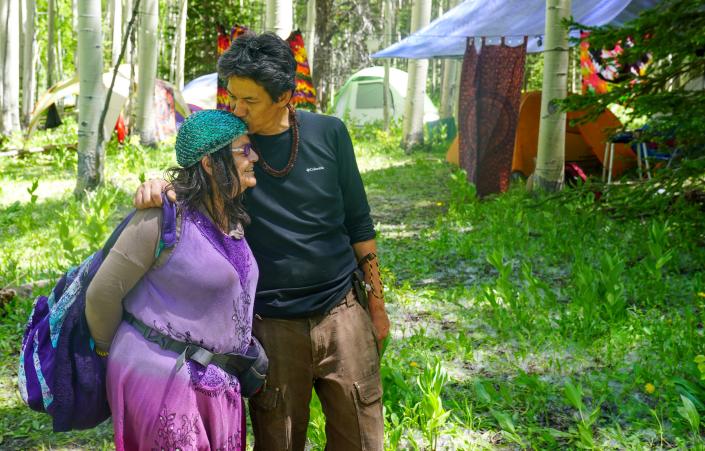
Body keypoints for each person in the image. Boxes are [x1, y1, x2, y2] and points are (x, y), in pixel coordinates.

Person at [135, 32, 391, 450]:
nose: (236, 109)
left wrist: (376, 308)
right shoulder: (232, 147)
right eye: (232, 97)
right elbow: (190, 176)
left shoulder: (330, 134)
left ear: (286, 95)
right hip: (270, 326)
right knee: (279, 440)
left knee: (362, 437)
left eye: (249, 101)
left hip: (343, 315)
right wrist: (157, 185)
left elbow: (361, 229)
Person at [86, 110, 260, 450]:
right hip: (163, 380)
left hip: (215, 383)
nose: (253, 158)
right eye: (243, 151)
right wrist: (107, 353)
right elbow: (102, 294)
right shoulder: (163, 217)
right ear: (210, 164)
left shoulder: (232, 216)